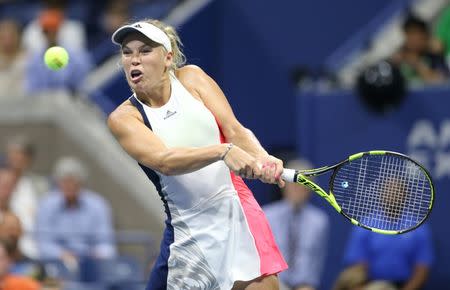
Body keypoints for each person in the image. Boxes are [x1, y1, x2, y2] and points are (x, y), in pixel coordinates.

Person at [108, 19, 288, 290]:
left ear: (167, 58)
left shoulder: (192, 78)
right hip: (188, 233)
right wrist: (223, 151)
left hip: (237, 212)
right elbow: (164, 161)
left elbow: (235, 130)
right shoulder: (124, 118)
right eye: (127, 52)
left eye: (145, 51)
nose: (134, 60)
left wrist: (262, 157)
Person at [35, 156, 116, 268]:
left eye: (74, 181)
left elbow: (107, 244)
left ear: (82, 182)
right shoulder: (46, 204)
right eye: (65, 181)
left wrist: (96, 254)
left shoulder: (98, 205)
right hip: (56, 263)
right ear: (58, 182)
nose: (69, 185)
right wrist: (63, 255)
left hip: (92, 264)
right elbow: (44, 244)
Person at [264, 158, 329, 290]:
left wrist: (309, 285)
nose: (298, 190)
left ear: (311, 190)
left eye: (304, 186)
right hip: (273, 284)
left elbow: (317, 262)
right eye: (294, 185)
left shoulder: (320, 221)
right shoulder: (266, 215)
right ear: (284, 185)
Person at [341, 223, 433, 290]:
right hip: (370, 284)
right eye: (387, 194)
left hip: (405, 285)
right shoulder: (364, 224)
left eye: (398, 194)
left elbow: (422, 269)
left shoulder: (417, 226)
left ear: (405, 196)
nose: (392, 196)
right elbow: (357, 268)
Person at [5, 135, 49, 259]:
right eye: (13, 156)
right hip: (7, 245)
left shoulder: (40, 185)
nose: (17, 160)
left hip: (35, 246)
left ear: (29, 160)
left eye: (21, 156)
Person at [391, 13, 449, 85]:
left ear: (425, 35)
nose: (411, 40)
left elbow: (440, 82)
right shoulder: (402, 56)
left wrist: (418, 65)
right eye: (408, 34)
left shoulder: (435, 55)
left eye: (414, 34)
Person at [0, 18, 27, 99]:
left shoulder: (30, 60)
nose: (7, 42)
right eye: (3, 37)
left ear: (19, 37)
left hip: (24, 103)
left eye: (11, 36)